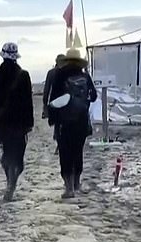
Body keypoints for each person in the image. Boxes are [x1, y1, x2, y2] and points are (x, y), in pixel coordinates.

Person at [0, 42, 34, 201]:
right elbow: (28, 101)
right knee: (17, 155)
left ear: (3, 56)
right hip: (20, 121)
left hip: (2, 120)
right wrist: (29, 124)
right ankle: (12, 182)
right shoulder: (24, 75)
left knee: (6, 154)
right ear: (16, 57)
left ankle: (10, 181)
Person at [48, 47, 97, 199]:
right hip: (81, 121)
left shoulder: (59, 75)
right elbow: (94, 96)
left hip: (64, 122)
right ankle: (77, 184)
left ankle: (68, 188)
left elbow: (54, 99)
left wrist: (53, 120)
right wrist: (83, 103)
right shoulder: (85, 76)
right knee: (78, 152)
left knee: (65, 153)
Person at [42, 54, 65, 154]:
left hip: (55, 102)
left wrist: (45, 105)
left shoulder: (51, 73)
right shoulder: (67, 72)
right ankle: (61, 145)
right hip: (66, 102)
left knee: (57, 124)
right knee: (64, 123)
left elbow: (46, 90)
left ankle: (59, 145)